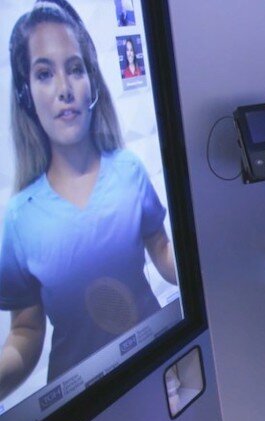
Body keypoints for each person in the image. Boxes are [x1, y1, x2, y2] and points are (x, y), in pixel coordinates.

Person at [0, 0, 176, 399]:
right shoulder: (18, 220)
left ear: (92, 83)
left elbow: (163, 253)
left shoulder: (129, 170)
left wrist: (210, 267)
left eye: (75, 68)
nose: (64, 89)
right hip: (79, 405)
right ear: (26, 94)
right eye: (44, 73)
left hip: (157, 365)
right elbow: (26, 331)